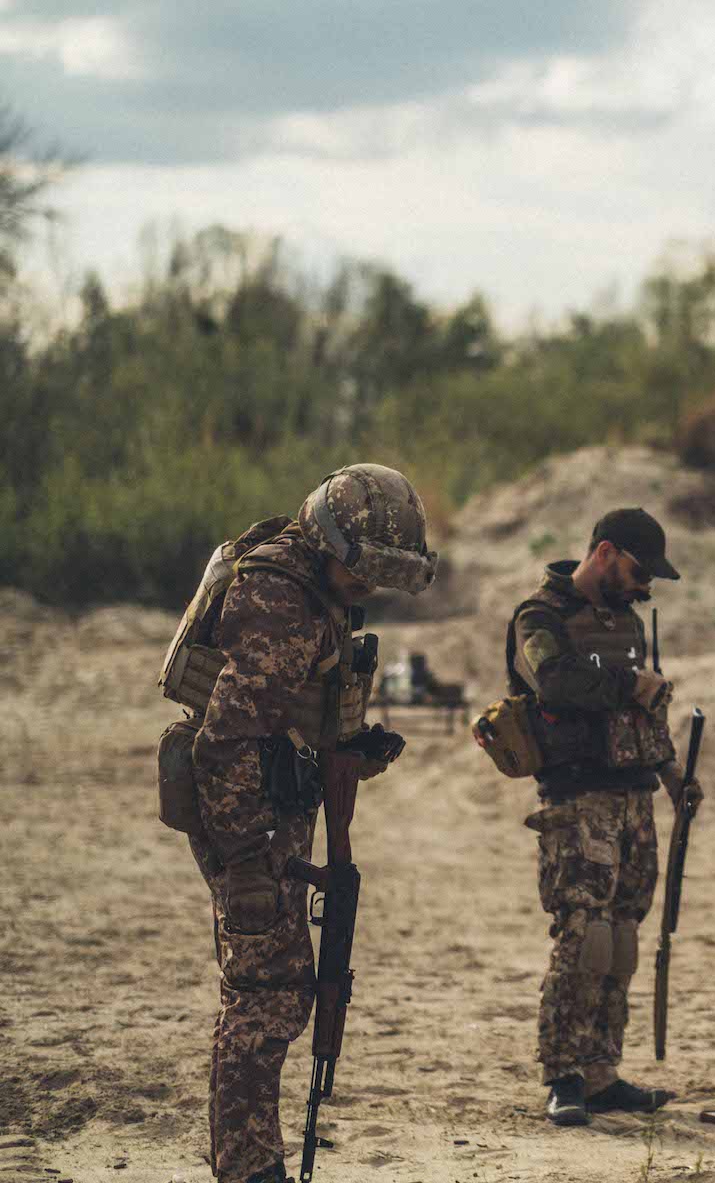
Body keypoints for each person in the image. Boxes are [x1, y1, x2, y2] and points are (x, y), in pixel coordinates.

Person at [171, 464, 434, 1183]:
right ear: (329, 542)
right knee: (265, 995)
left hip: (273, 806)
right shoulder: (279, 599)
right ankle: (249, 1168)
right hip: (245, 815)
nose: (369, 587)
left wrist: (350, 746)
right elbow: (224, 742)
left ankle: (249, 1161)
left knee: (275, 989)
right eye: (364, 571)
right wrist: (245, 862)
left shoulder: (316, 588)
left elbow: (290, 713)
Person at [507, 507, 704, 1126]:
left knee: (620, 940)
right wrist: (629, 684)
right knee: (583, 937)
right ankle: (563, 1074)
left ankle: (601, 1071)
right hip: (576, 798)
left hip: (634, 797)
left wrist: (672, 775)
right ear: (605, 552)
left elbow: (645, 713)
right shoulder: (540, 616)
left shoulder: (627, 623)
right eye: (640, 572)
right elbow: (556, 684)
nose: (644, 588)